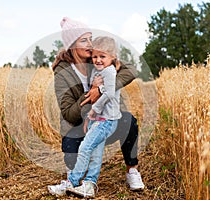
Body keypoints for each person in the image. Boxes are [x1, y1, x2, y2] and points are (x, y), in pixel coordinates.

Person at [48, 17, 144, 196]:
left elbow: (130, 69)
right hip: (79, 125)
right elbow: (69, 114)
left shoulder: (98, 59)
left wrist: (102, 89)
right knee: (75, 141)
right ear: (72, 44)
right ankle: (76, 177)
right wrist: (91, 94)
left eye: (90, 38)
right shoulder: (63, 72)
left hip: (104, 121)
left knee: (128, 121)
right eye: (84, 40)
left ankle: (132, 170)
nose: (90, 44)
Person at [51, 36, 122, 198]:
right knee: (96, 153)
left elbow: (109, 93)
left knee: (85, 148)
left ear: (112, 57)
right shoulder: (97, 69)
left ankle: (72, 182)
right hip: (97, 119)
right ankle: (89, 184)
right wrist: (94, 89)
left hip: (106, 120)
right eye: (95, 56)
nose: (97, 60)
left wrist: (94, 108)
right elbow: (70, 109)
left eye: (102, 57)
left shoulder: (109, 71)